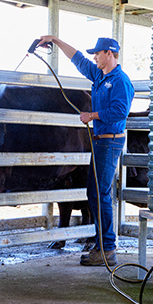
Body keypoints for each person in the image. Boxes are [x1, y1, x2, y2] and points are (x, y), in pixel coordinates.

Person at [38, 35, 134, 266]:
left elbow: (120, 112)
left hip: (110, 142)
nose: (94, 57)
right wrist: (57, 41)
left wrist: (91, 115)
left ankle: (107, 248)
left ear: (109, 54)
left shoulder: (120, 80)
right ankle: (102, 243)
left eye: (98, 54)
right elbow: (78, 59)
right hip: (100, 141)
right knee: (95, 193)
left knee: (100, 195)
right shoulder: (100, 76)